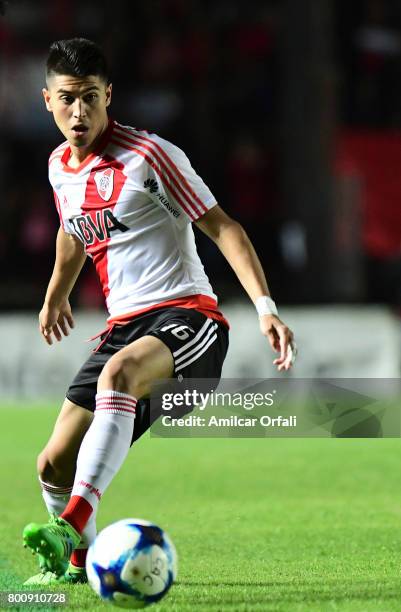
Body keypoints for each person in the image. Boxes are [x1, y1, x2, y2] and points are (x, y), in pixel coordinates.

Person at [22, 38, 296, 585]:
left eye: (92, 98)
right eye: (69, 99)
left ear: (109, 96)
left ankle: (71, 524)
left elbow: (224, 227)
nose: (81, 113)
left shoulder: (149, 156)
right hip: (123, 329)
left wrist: (265, 308)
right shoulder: (59, 167)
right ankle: (78, 568)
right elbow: (73, 233)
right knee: (51, 463)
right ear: (48, 99)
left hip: (187, 321)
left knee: (120, 374)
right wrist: (56, 292)